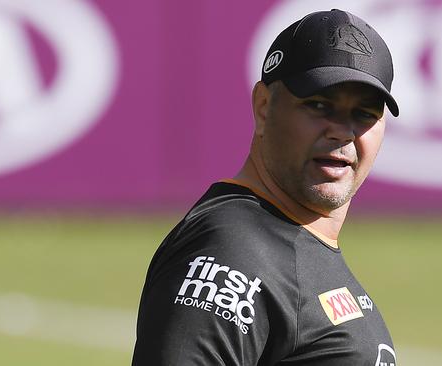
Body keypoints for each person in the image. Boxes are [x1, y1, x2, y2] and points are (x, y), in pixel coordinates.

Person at [132, 8, 400, 366]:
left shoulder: (290, 239)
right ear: (263, 106)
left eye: (365, 114)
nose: (342, 131)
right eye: (319, 105)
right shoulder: (233, 252)